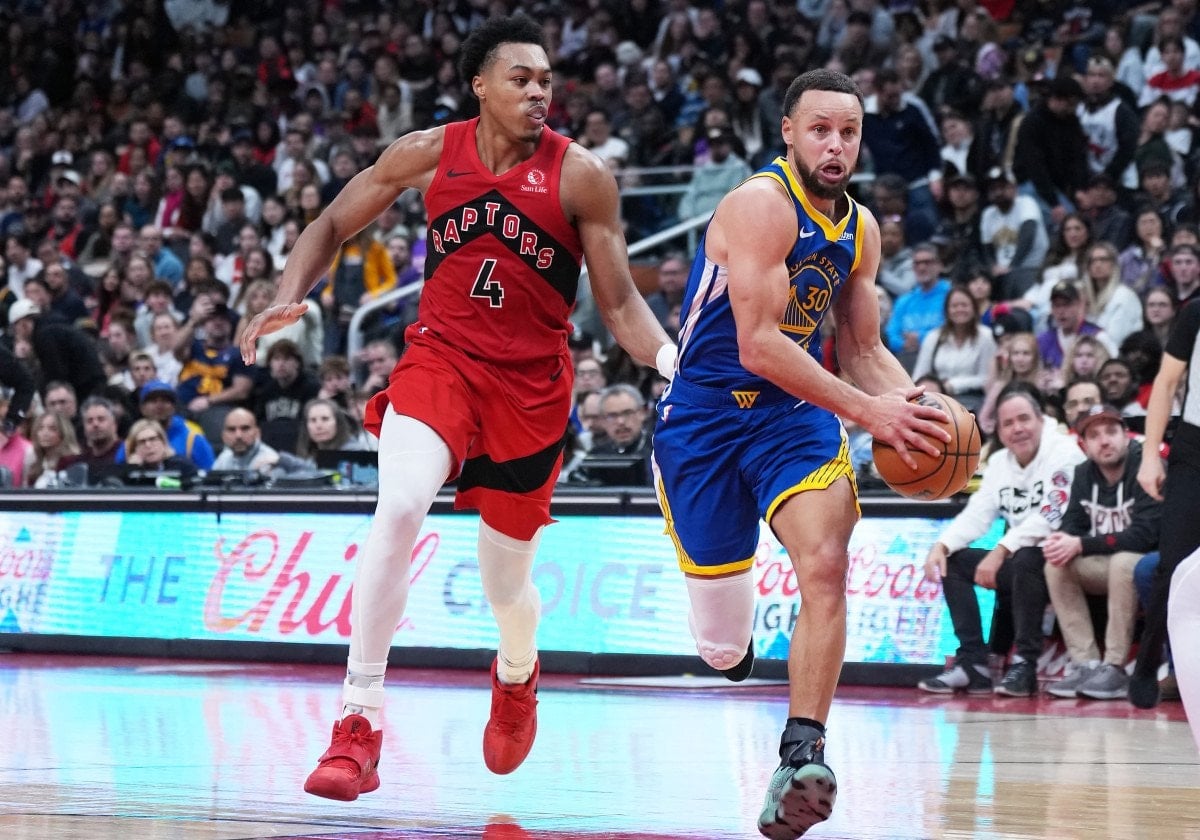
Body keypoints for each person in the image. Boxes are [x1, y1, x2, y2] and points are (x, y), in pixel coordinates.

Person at [236, 15, 676, 802]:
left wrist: (674, 360)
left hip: (530, 387)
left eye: (546, 81)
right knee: (399, 506)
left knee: (506, 588)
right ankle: (358, 722)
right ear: (480, 86)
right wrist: (287, 294)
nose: (538, 92)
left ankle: (517, 672)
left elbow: (618, 305)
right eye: (521, 79)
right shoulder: (428, 152)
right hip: (440, 360)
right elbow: (331, 221)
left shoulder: (581, 176)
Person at [652, 69, 949, 840]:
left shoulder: (862, 228)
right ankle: (733, 644)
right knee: (721, 647)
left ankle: (801, 752)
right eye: (820, 129)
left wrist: (921, 411)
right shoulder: (759, 205)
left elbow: (864, 350)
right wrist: (867, 410)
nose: (835, 145)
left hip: (793, 416)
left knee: (825, 563)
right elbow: (758, 346)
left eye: (848, 132)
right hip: (705, 422)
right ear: (788, 132)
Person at [919, 383, 1086, 697]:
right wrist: (941, 545)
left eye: (1024, 419)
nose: (1017, 428)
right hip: (1024, 560)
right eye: (1008, 423)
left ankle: (1025, 664)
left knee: (1026, 557)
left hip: (1069, 556)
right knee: (953, 562)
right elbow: (977, 513)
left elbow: (1052, 514)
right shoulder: (998, 462)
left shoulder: (1066, 453)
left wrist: (1000, 549)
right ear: (999, 430)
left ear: (1041, 419)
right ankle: (973, 663)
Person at [1041, 404, 1162, 700]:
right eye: (1094, 436)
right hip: (1107, 562)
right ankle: (1086, 664)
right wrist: (1062, 540)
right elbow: (1072, 523)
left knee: (1123, 562)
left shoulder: (1145, 466)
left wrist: (1081, 544)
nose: (1104, 441)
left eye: (1110, 432)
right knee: (1055, 565)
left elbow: (1145, 535)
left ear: (1126, 435)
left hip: (1149, 564)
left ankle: (1114, 666)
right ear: (1084, 445)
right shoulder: (1083, 473)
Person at [1132, 298, 1200, 708]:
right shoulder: (1195, 313)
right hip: (1194, 448)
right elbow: (1166, 382)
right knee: (1173, 565)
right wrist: (1149, 455)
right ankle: (1148, 661)